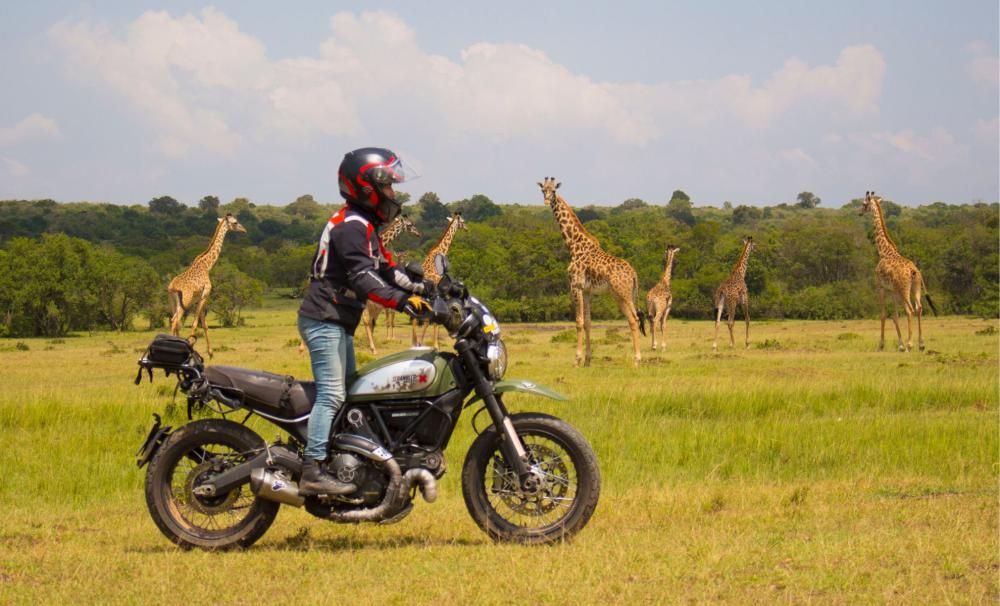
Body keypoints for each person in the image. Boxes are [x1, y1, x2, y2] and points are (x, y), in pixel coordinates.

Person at [297, 147, 433, 496]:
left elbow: (388, 269)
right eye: (388, 187)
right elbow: (363, 279)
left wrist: (427, 288)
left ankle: (347, 461)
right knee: (332, 394)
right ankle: (312, 469)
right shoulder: (351, 228)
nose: (393, 194)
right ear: (367, 186)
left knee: (352, 394)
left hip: (338, 321)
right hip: (323, 319)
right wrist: (405, 303)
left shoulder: (365, 226)